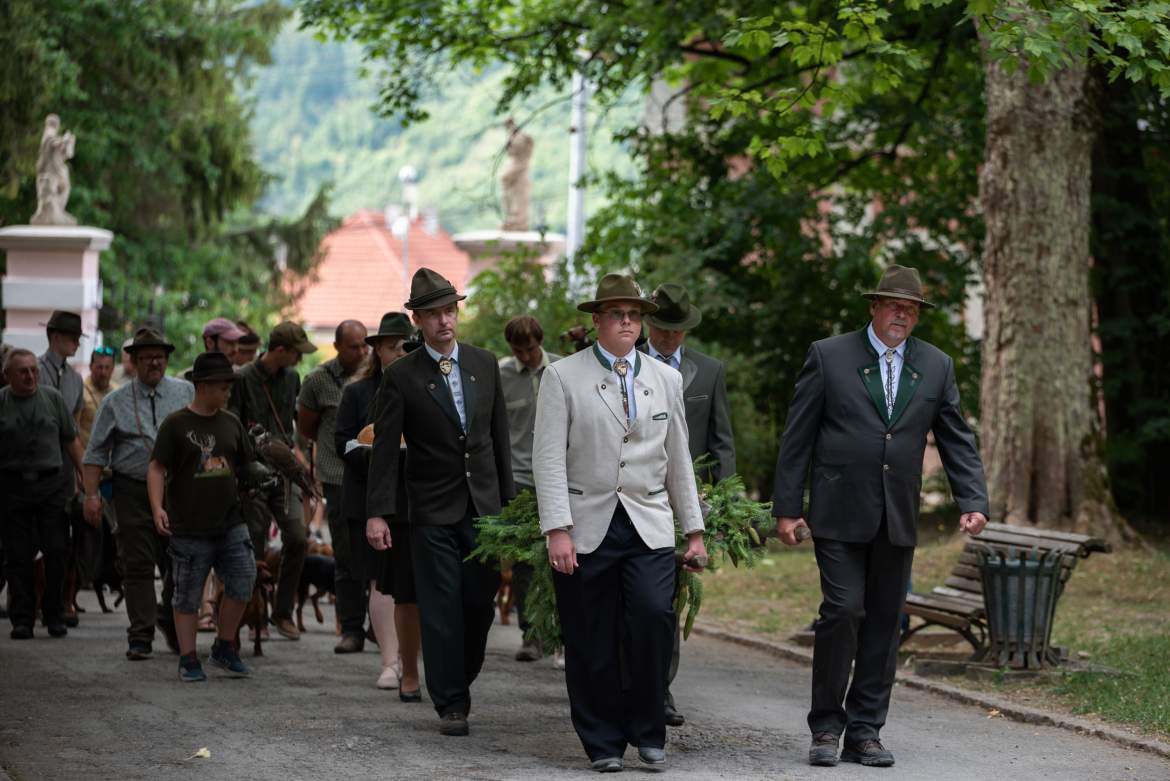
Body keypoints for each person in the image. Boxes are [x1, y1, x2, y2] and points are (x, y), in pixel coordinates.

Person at [772, 265, 990, 768]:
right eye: (893, 304)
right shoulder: (829, 355)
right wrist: (787, 509)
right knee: (844, 611)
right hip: (837, 511)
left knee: (886, 623)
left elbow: (956, 436)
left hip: (896, 515)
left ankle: (865, 731)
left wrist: (972, 500)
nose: (901, 313)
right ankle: (826, 726)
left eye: (910, 308)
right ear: (873, 307)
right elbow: (797, 436)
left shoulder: (935, 365)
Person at [532, 273, 707, 772]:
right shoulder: (563, 377)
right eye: (616, 313)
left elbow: (679, 460)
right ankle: (603, 741)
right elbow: (548, 459)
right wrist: (557, 529)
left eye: (634, 314)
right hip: (586, 522)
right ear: (597, 321)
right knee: (591, 636)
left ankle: (648, 730)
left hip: (648, 522)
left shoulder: (665, 379)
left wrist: (693, 532)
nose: (627, 321)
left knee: (653, 618)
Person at [366, 268, 514, 737]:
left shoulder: (485, 363)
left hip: (484, 508)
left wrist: (508, 508)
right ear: (419, 321)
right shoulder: (401, 376)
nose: (444, 322)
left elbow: (499, 440)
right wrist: (378, 512)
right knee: (441, 604)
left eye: (450, 311)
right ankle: (451, 702)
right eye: (433, 315)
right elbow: (386, 449)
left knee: (478, 604)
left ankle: (458, 677)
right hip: (430, 508)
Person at [637, 282, 737, 727]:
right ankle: (632, 685)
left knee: (667, 600)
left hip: (687, 504)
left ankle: (660, 690)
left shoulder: (709, 371)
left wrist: (723, 501)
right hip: (634, 494)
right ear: (648, 324)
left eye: (677, 332)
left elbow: (722, 441)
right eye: (661, 329)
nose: (669, 339)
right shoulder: (629, 364)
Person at [83, 328, 193, 659]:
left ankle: (168, 616)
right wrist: (91, 495)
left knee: (183, 559)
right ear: (133, 362)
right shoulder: (114, 402)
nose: (154, 363)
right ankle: (141, 634)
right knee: (137, 562)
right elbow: (95, 453)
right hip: (131, 489)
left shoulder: (186, 391)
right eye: (146, 358)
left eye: (159, 356)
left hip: (178, 489)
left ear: (167, 358)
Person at [148, 352, 257, 682]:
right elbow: (156, 467)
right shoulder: (176, 424)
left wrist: (261, 477)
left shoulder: (232, 422)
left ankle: (224, 646)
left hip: (230, 521)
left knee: (243, 579)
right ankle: (188, 657)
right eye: (223, 388)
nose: (227, 394)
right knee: (187, 594)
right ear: (204, 386)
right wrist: (157, 508)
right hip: (189, 525)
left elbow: (246, 466)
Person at [335, 312, 421, 696]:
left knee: (417, 582)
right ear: (378, 351)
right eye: (392, 347)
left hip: (418, 498)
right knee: (380, 580)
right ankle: (390, 660)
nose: (399, 353)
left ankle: (412, 659)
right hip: (372, 496)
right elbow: (341, 443)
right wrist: (380, 454)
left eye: (405, 346)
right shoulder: (358, 393)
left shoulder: (428, 386)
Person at [228, 321, 317, 640]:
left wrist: (302, 455)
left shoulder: (293, 379)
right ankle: (255, 617)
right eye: (297, 353)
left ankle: (282, 612)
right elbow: (232, 425)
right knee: (253, 544)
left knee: (297, 537)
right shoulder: (241, 379)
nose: (300, 359)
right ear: (281, 350)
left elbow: (296, 426)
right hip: (252, 473)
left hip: (283, 473)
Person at [0, 349, 85, 639]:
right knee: (18, 555)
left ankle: (54, 613)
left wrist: (86, 478)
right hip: (13, 487)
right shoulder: (2, 401)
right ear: (7, 375)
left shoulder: (53, 399)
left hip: (52, 486)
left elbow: (72, 441)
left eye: (34, 370)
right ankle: (22, 618)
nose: (30, 376)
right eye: (23, 371)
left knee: (57, 550)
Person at [298, 320, 368, 652]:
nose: (362, 351)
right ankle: (351, 628)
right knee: (346, 554)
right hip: (338, 478)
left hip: (374, 477)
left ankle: (379, 625)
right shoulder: (317, 381)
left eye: (365, 344)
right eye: (355, 346)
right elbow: (307, 427)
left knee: (380, 555)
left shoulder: (375, 375)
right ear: (338, 347)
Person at [497, 315, 561, 663]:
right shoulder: (501, 375)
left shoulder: (563, 371)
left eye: (531, 349)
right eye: (518, 351)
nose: (525, 356)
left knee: (563, 558)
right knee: (524, 561)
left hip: (559, 479)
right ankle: (531, 634)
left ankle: (563, 633)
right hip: (519, 478)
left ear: (541, 342)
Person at [67, 345, 120, 624]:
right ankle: (72, 593)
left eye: (107, 367)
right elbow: (72, 432)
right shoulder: (81, 392)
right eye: (98, 366)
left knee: (109, 537)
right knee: (83, 537)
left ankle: (98, 578)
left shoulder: (116, 392)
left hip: (112, 475)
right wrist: (79, 474)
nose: (102, 371)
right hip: (87, 475)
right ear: (91, 366)